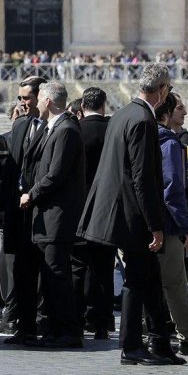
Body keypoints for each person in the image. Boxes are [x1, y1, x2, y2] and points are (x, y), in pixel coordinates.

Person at [78, 63, 184, 366]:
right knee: (138, 279)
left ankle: (160, 343)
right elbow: (143, 178)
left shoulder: (123, 114)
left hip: (116, 208)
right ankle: (131, 346)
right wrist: (155, 225)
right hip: (131, 214)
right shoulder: (142, 121)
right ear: (162, 90)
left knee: (150, 276)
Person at [0, 76, 47, 342]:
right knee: (10, 265)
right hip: (10, 213)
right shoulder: (6, 139)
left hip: (36, 210)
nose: (22, 104)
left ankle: (32, 316)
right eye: (19, 99)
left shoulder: (48, 132)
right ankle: (12, 312)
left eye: (26, 98)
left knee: (33, 268)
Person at [19, 82, 84, 348]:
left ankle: (69, 331)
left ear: (47, 101)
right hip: (47, 216)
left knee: (57, 275)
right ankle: (53, 329)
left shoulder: (66, 129)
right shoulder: (54, 128)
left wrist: (31, 194)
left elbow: (56, 173)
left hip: (58, 215)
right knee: (50, 276)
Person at [154, 92, 188, 356]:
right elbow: (173, 189)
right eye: (179, 108)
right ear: (166, 113)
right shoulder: (169, 143)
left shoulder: (144, 137)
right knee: (176, 283)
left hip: (148, 222)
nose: (185, 113)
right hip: (170, 224)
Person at [73, 87, 114, 340]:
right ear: (103, 106)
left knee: (78, 266)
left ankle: (78, 317)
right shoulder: (112, 132)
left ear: (82, 107)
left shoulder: (75, 131)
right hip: (106, 208)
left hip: (79, 208)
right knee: (104, 268)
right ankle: (101, 322)